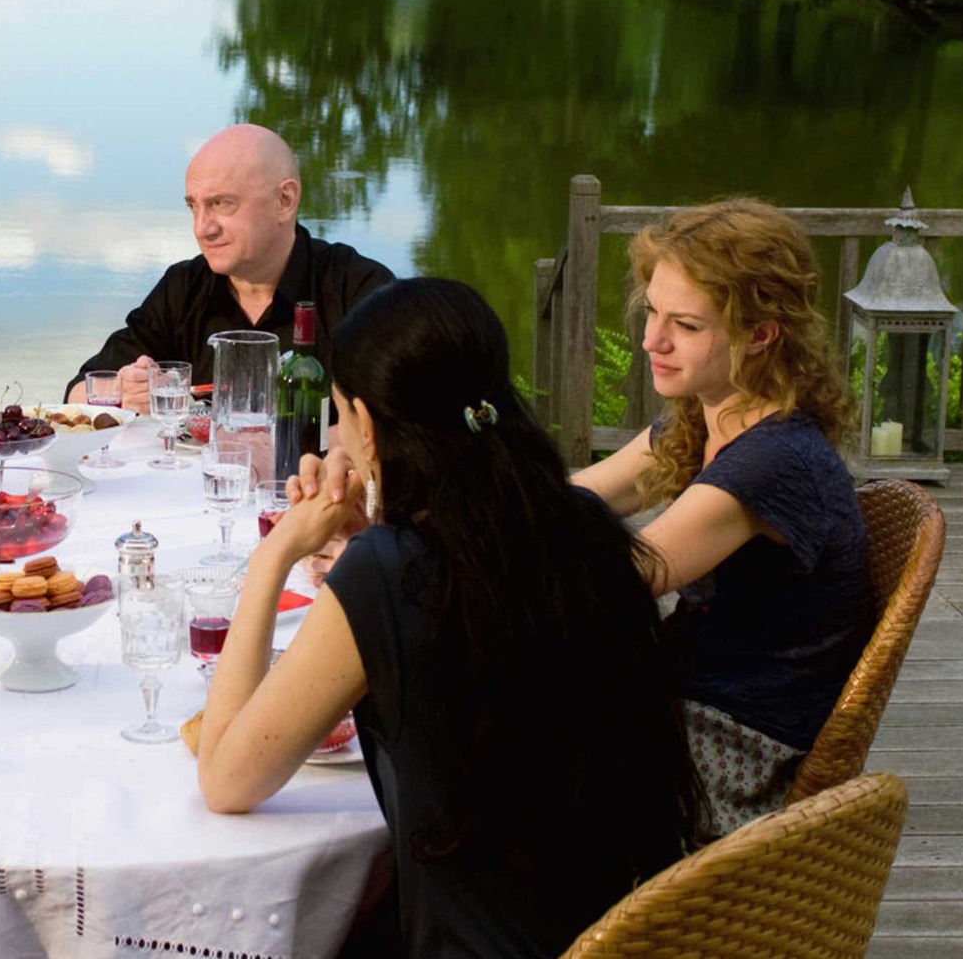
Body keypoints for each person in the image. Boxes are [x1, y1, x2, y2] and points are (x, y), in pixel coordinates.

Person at [198, 278, 700, 956]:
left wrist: (276, 554)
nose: (339, 434)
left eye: (342, 416)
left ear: (367, 426)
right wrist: (377, 518)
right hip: (618, 929)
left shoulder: (386, 573)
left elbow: (227, 780)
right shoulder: (581, 527)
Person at [573, 199, 869, 837]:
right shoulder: (709, 414)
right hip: (684, 696)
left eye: (685, 324)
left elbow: (612, 580)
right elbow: (577, 496)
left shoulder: (772, 461)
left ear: (760, 334)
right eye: (652, 312)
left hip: (735, 752)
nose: (653, 339)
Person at [64, 123, 394, 410]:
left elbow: (405, 423)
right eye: (193, 206)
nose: (201, 228)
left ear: (285, 201)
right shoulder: (183, 287)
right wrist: (123, 392)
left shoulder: (360, 291)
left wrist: (303, 446)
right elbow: (76, 394)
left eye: (221, 204)